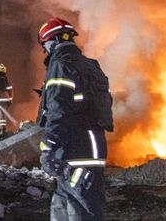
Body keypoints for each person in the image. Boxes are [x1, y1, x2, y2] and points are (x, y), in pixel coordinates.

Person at [37, 17, 112, 220]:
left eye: (45, 45)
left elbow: (58, 110)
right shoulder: (92, 66)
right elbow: (103, 104)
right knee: (66, 204)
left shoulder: (60, 66)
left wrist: (48, 146)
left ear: (53, 41)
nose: (46, 50)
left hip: (72, 149)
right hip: (94, 147)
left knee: (81, 210)